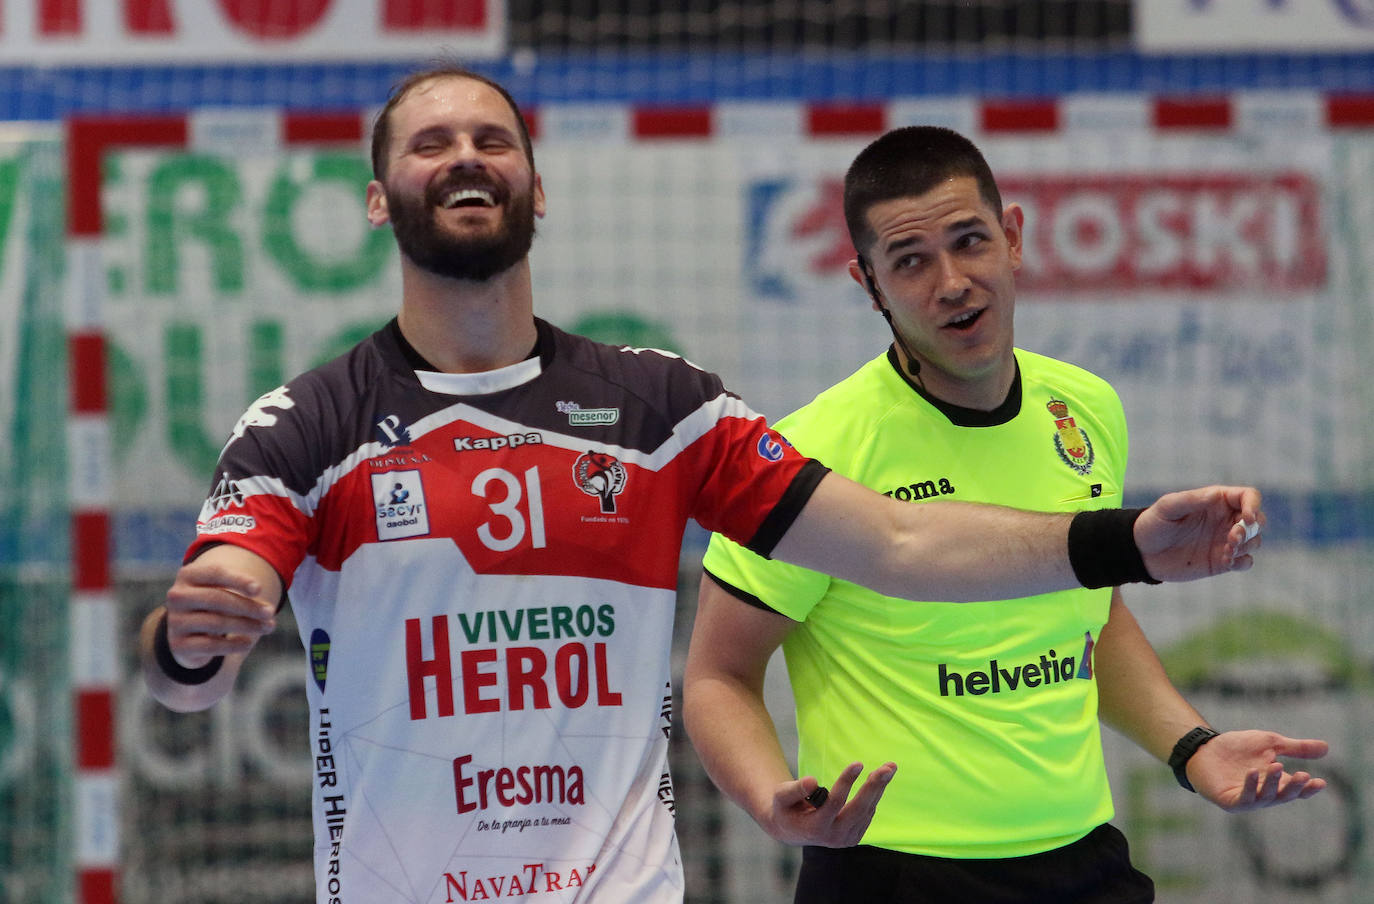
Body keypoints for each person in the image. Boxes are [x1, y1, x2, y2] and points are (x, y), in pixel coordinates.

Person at [139, 68, 1266, 904]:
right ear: (381, 198)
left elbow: (900, 546)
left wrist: (1122, 542)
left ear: (539, 185)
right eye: (431, 142)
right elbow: (195, 665)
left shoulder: (661, 408)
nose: (466, 154)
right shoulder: (308, 423)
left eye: (494, 135)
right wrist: (200, 631)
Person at [683, 125, 1327, 903]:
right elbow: (719, 673)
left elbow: (1087, 618)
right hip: (893, 876)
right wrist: (771, 804)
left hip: (1081, 857)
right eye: (911, 261)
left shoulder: (1085, 408)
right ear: (870, 284)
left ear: (1012, 238)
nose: (952, 282)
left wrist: (1192, 747)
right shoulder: (812, 453)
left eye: (970, 241)